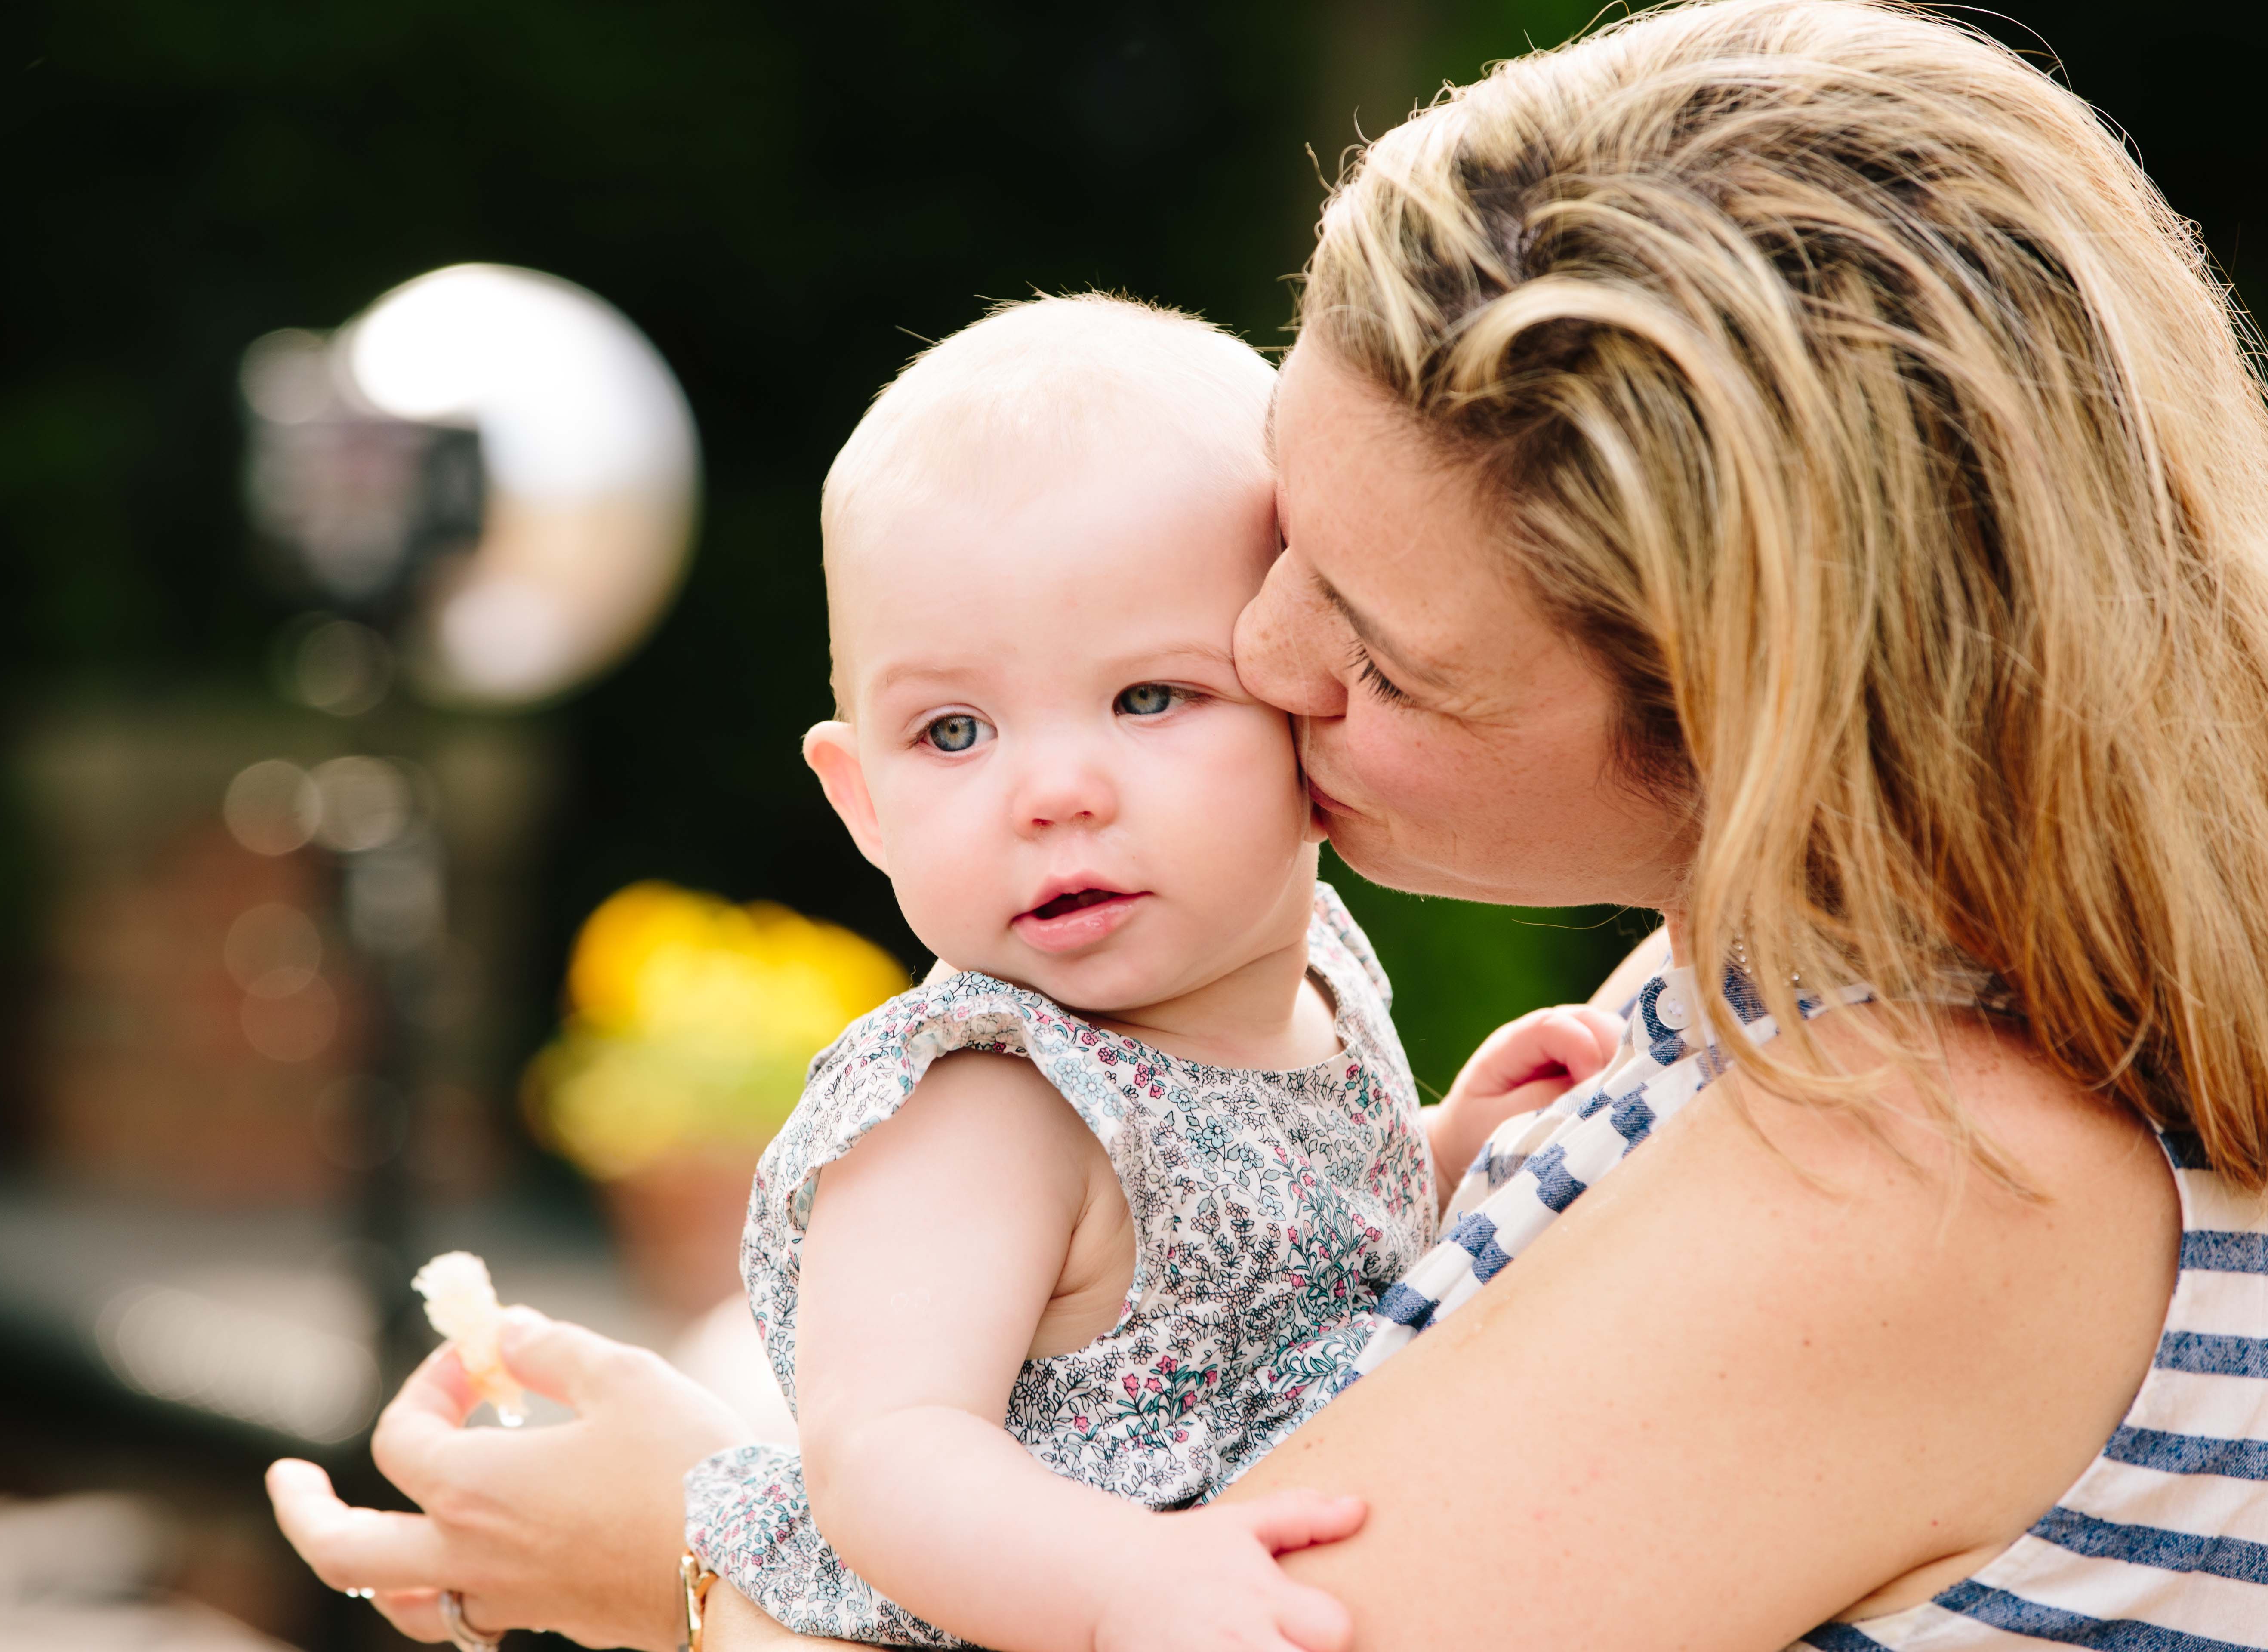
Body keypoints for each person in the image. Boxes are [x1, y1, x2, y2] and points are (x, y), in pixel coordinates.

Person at [266, 2, 2268, 1646]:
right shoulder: (1788, 983)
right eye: (1287, 529)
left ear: (1760, 721)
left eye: (1388, 659)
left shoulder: (1926, 1163)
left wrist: (698, 1568)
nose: (1263, 647)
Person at [679, 293, 1621, 1652]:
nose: (1054, 791)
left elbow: (1251, 1263)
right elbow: (883, 1449)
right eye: (954, 731)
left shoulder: (1313, 980)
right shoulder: (988, 1105)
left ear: (1306, 702)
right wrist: (1122, 1584)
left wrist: (1442, 1148)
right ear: (863, 801)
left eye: (1148, 699)